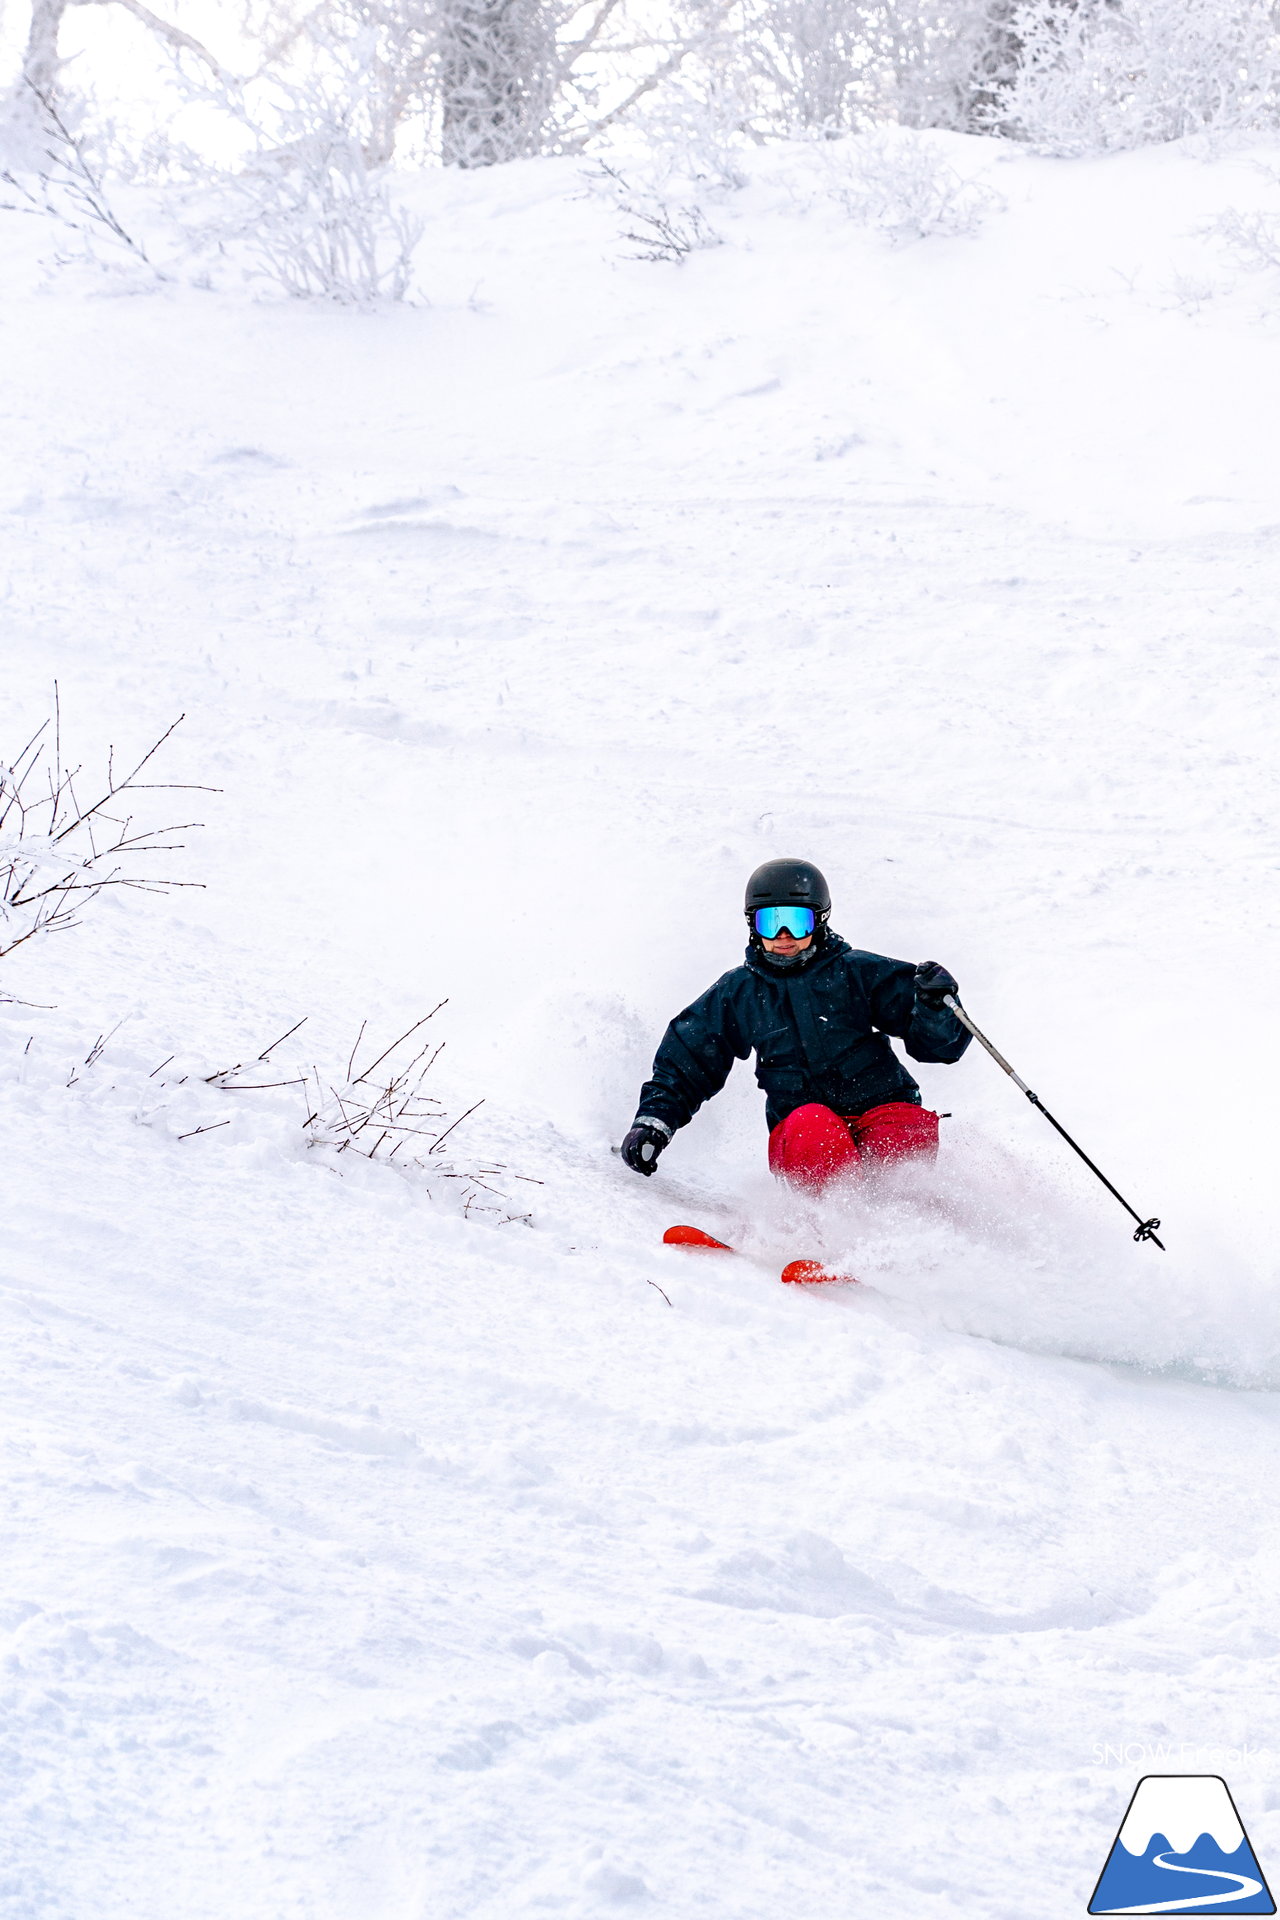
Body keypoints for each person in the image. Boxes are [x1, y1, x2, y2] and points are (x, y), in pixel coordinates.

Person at [620, 858, 971, 1191]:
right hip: (804, 1132)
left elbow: (941, 1048)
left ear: (819, 921)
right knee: (814, 1126)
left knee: (899, 1130)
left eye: (797, 922)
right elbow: (689, 1057)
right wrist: (654, 1122)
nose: (784, 935)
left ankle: (910, 1227)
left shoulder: (857, 972)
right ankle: (828, 1227)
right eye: (769, 923)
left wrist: (934, 1007)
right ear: (752, 926)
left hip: (880, 1106)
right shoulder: (741, 991)